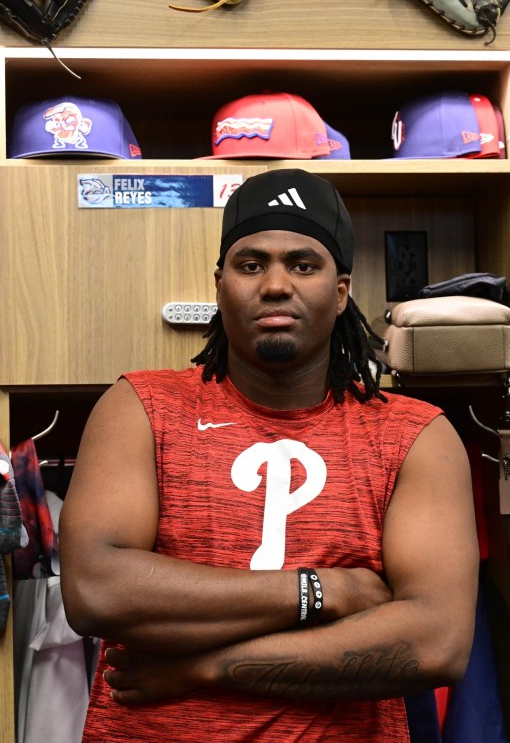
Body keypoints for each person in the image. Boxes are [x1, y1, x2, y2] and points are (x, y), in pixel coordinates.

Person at [59, 168, 479, 742]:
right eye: (251, 264)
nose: (276, 284)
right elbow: (95, 591)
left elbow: (435, 643)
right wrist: (327, 591)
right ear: (219, 285)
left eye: (303, 265)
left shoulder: (413, 435)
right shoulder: (142, 407)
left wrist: (203, 667)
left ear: (340, 292)